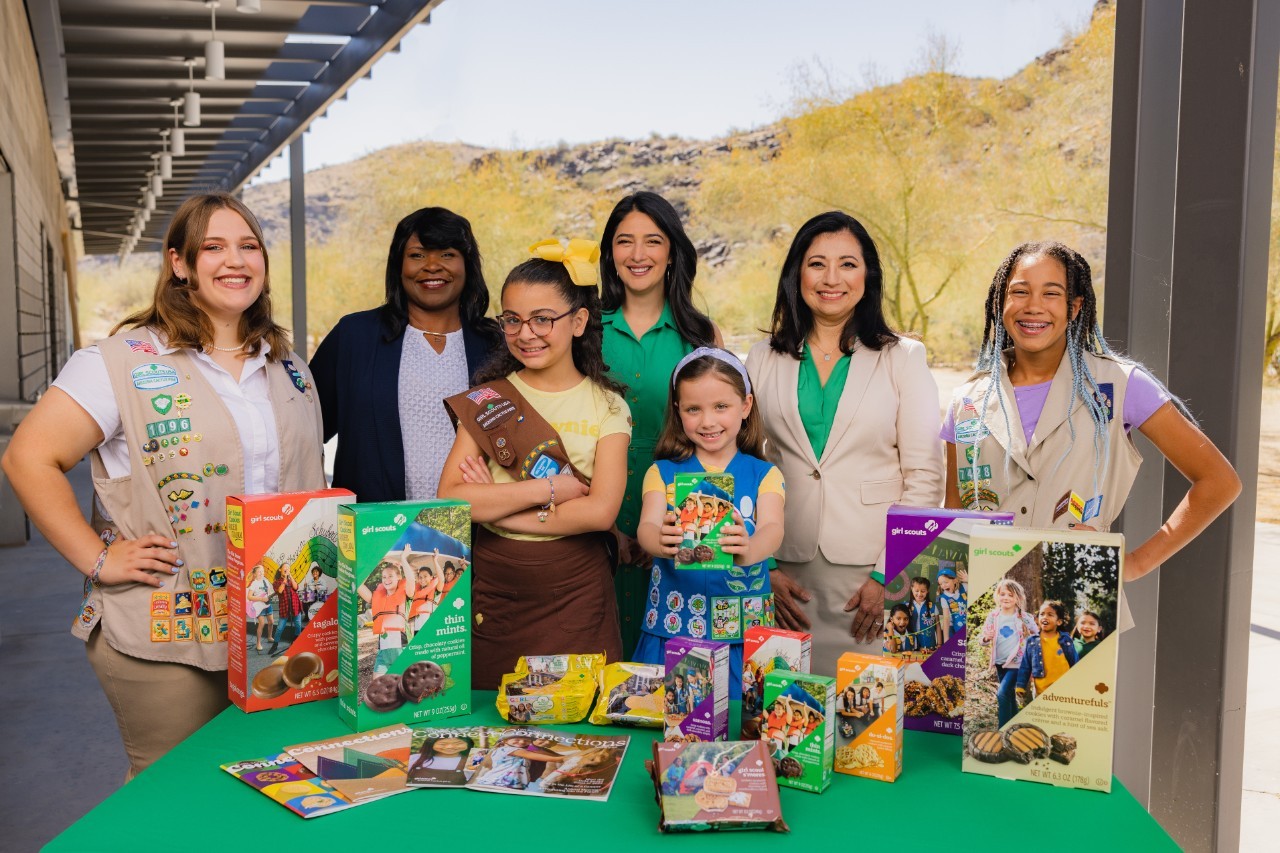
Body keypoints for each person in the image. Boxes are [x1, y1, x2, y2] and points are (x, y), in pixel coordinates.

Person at [0, 192, 325, 778]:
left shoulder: (288, 365)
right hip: (169, 628)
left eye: (249, 246)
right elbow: (28, 458)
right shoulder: (117, 362)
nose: (236, 260)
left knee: (277, 784)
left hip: (278, 626)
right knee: (176, 799)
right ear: (179, 263)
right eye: (214, 247)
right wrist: (97, 559)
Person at [942, 241, 1240, 581]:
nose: (1034, 306)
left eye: (1051, 293)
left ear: (1074, 307)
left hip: (1080, 600)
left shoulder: (1121, 384)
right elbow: (955, 512)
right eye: (1020, 291)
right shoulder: (966, 400)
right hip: (982, 601)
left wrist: (1136, 563)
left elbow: (1219, 481)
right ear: (1001, 302)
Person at [747, 211, 944, 672]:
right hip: (785, 573)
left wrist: (888, 575)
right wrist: (763, 567)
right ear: (797, 274)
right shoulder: (762, 358)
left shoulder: (903, 358)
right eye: (817, 264)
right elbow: (741, 465)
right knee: (786, 718)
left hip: (870, 578)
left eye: (848, 264)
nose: (831, 278)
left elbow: (925, 478)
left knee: (865, 723)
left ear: (868, 275)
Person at [439, 239, 630, 688]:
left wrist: (496, 503)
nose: (526, 333)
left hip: (578, 590)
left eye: (543, 319)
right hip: (497, 590)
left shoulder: (609, 407)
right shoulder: (488, 400)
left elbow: (601, 512)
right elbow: (451, 499)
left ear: (579, 321)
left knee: (580, 736)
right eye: (512, 320)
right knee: (488, 728)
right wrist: (548, 492)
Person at [310, 207, 502, 502]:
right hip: (374, 533)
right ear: (398, 266)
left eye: (447, 254)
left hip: (474, 529)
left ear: (468, 265)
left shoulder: (496, 343)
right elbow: (305, 432)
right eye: (418, 255)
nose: (433, 266)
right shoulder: (354, 337)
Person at [599, 192, 721, 656]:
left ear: (672, 253)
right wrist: (604, 526)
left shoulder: (701, 335)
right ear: (610, 254)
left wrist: (672, 527)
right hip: (591, 504)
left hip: (675, 509)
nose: (638, 254)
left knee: (670, 653)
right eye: (624, 241)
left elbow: (718, 440)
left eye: (653, 241)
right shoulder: (583, 328)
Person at [634, 348, 785, 696]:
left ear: (745, 406)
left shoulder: (764, 475)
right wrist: (659, 541)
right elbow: (646, 525)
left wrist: (749, 550)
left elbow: (773, 529)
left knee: (741, 724)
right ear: (678, 411)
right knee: (670, 723)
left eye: (721, 407)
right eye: (693, 409)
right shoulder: (662, 472)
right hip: (673, 629)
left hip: (742, 635)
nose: (708, 421)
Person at [979, 578, 1039, 727]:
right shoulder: (993, 617)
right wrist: (987, 637)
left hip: (1018, 663)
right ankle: (1015, 728)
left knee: (1002, 694)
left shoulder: (1024, 618)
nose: (1006, 597)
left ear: (1018, 598)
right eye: (1003, 594)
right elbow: (982, 639)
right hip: (1000, 662)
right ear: (997, 596)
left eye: (1010, 595)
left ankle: (1003, 730)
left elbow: (1036, 638)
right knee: (1010, 696)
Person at [358, 555, 415, 675]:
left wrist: (403, 559)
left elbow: (410, 579)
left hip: (402, 650)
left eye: (390, 576)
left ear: (398, 577)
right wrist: (375, 563)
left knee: (404, 688)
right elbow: (358, 585)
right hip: (383, 653)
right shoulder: (377, 597)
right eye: (384, 576)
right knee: (377, 690)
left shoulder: (406, 594)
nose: (386, 579)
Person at [1017, 600, 1078, 703]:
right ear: (1037, 619)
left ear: (1059, 621)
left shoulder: (1066, 640)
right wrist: (1020, 685)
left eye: (1050, 614)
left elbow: (1074, 662)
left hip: (1064, 691)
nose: (1045, 617)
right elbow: (1025, 666)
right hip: (1041, 691)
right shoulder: (1032, 642)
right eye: (1042, 614)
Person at [268, 568, 303, 656]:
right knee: (280, 627)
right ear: (280, 570)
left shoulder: (291, 579)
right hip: (284, 606)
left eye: (288, 567)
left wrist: (290, 577)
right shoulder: (276, 582)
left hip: (295, 604)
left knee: (298, 624)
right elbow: (279, 591)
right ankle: (275, 644)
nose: (287, 569)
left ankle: (296, 640)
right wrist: (284, 580)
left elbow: (296, 587)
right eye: (285, 567)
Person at [907, 576, 942, 651]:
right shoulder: (906, 606)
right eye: (916, 591)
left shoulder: (933, 607)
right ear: (911, 589)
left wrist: (939, 644)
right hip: (911, 642)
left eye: (923, 591)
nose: (919, 594)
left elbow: (938, 626)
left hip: (929, 643)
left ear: (927, 591)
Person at [245, 563, 274, 651]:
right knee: (262, 623)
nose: (261, 573)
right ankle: (258, 643)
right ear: (254, 574)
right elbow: (249, 596)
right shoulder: (254, 583)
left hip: (267, 604)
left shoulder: (266, 581)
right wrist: (261, 598)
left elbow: (269, 592)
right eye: (259, 572)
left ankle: (269, 637)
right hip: (259, 605)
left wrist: (270, 596)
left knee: (271, 621)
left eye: (262, 571)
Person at [936, 566, 967, 642]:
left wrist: (968, 580)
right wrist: (946, 639)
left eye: (946, 582)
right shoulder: (944, 598)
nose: (943, 586)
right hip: (954, 628)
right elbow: (946, 619)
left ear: (955, 580)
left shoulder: (964, 587)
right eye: (941, 584)